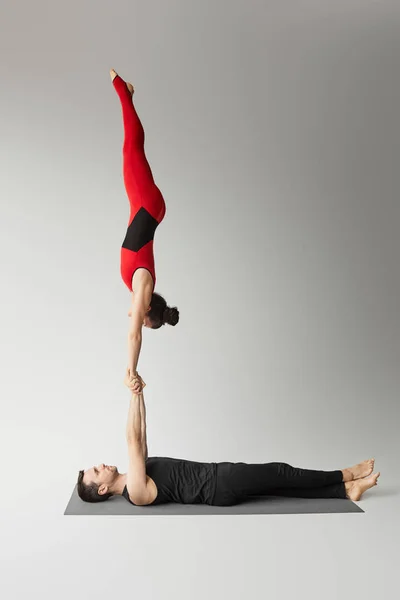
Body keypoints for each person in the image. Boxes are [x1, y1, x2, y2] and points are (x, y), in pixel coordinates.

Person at [77, 376, 380, 506]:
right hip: (220, 484)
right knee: (281, 472)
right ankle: (347, 473)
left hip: (221, 479)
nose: (101, 464)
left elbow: (140, 436)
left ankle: (345, 491)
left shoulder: (135, 475)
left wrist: (140, 394)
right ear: (103, 488)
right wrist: (131, 394)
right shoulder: (136, 492)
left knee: (277, 488)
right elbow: (132, 439)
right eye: (96, 470)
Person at [110, 69, 179, 393]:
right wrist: (130, 371)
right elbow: (134, 333)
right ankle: (123, 90)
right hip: (145, 203)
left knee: (133, 149)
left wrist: (136, 312)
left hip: (147, 207)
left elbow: (133, 316)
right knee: (132, 148)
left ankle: (127, 95)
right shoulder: (143, 283)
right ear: (147, 309)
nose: (134, 317)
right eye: (141, 317)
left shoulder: (142, 287)